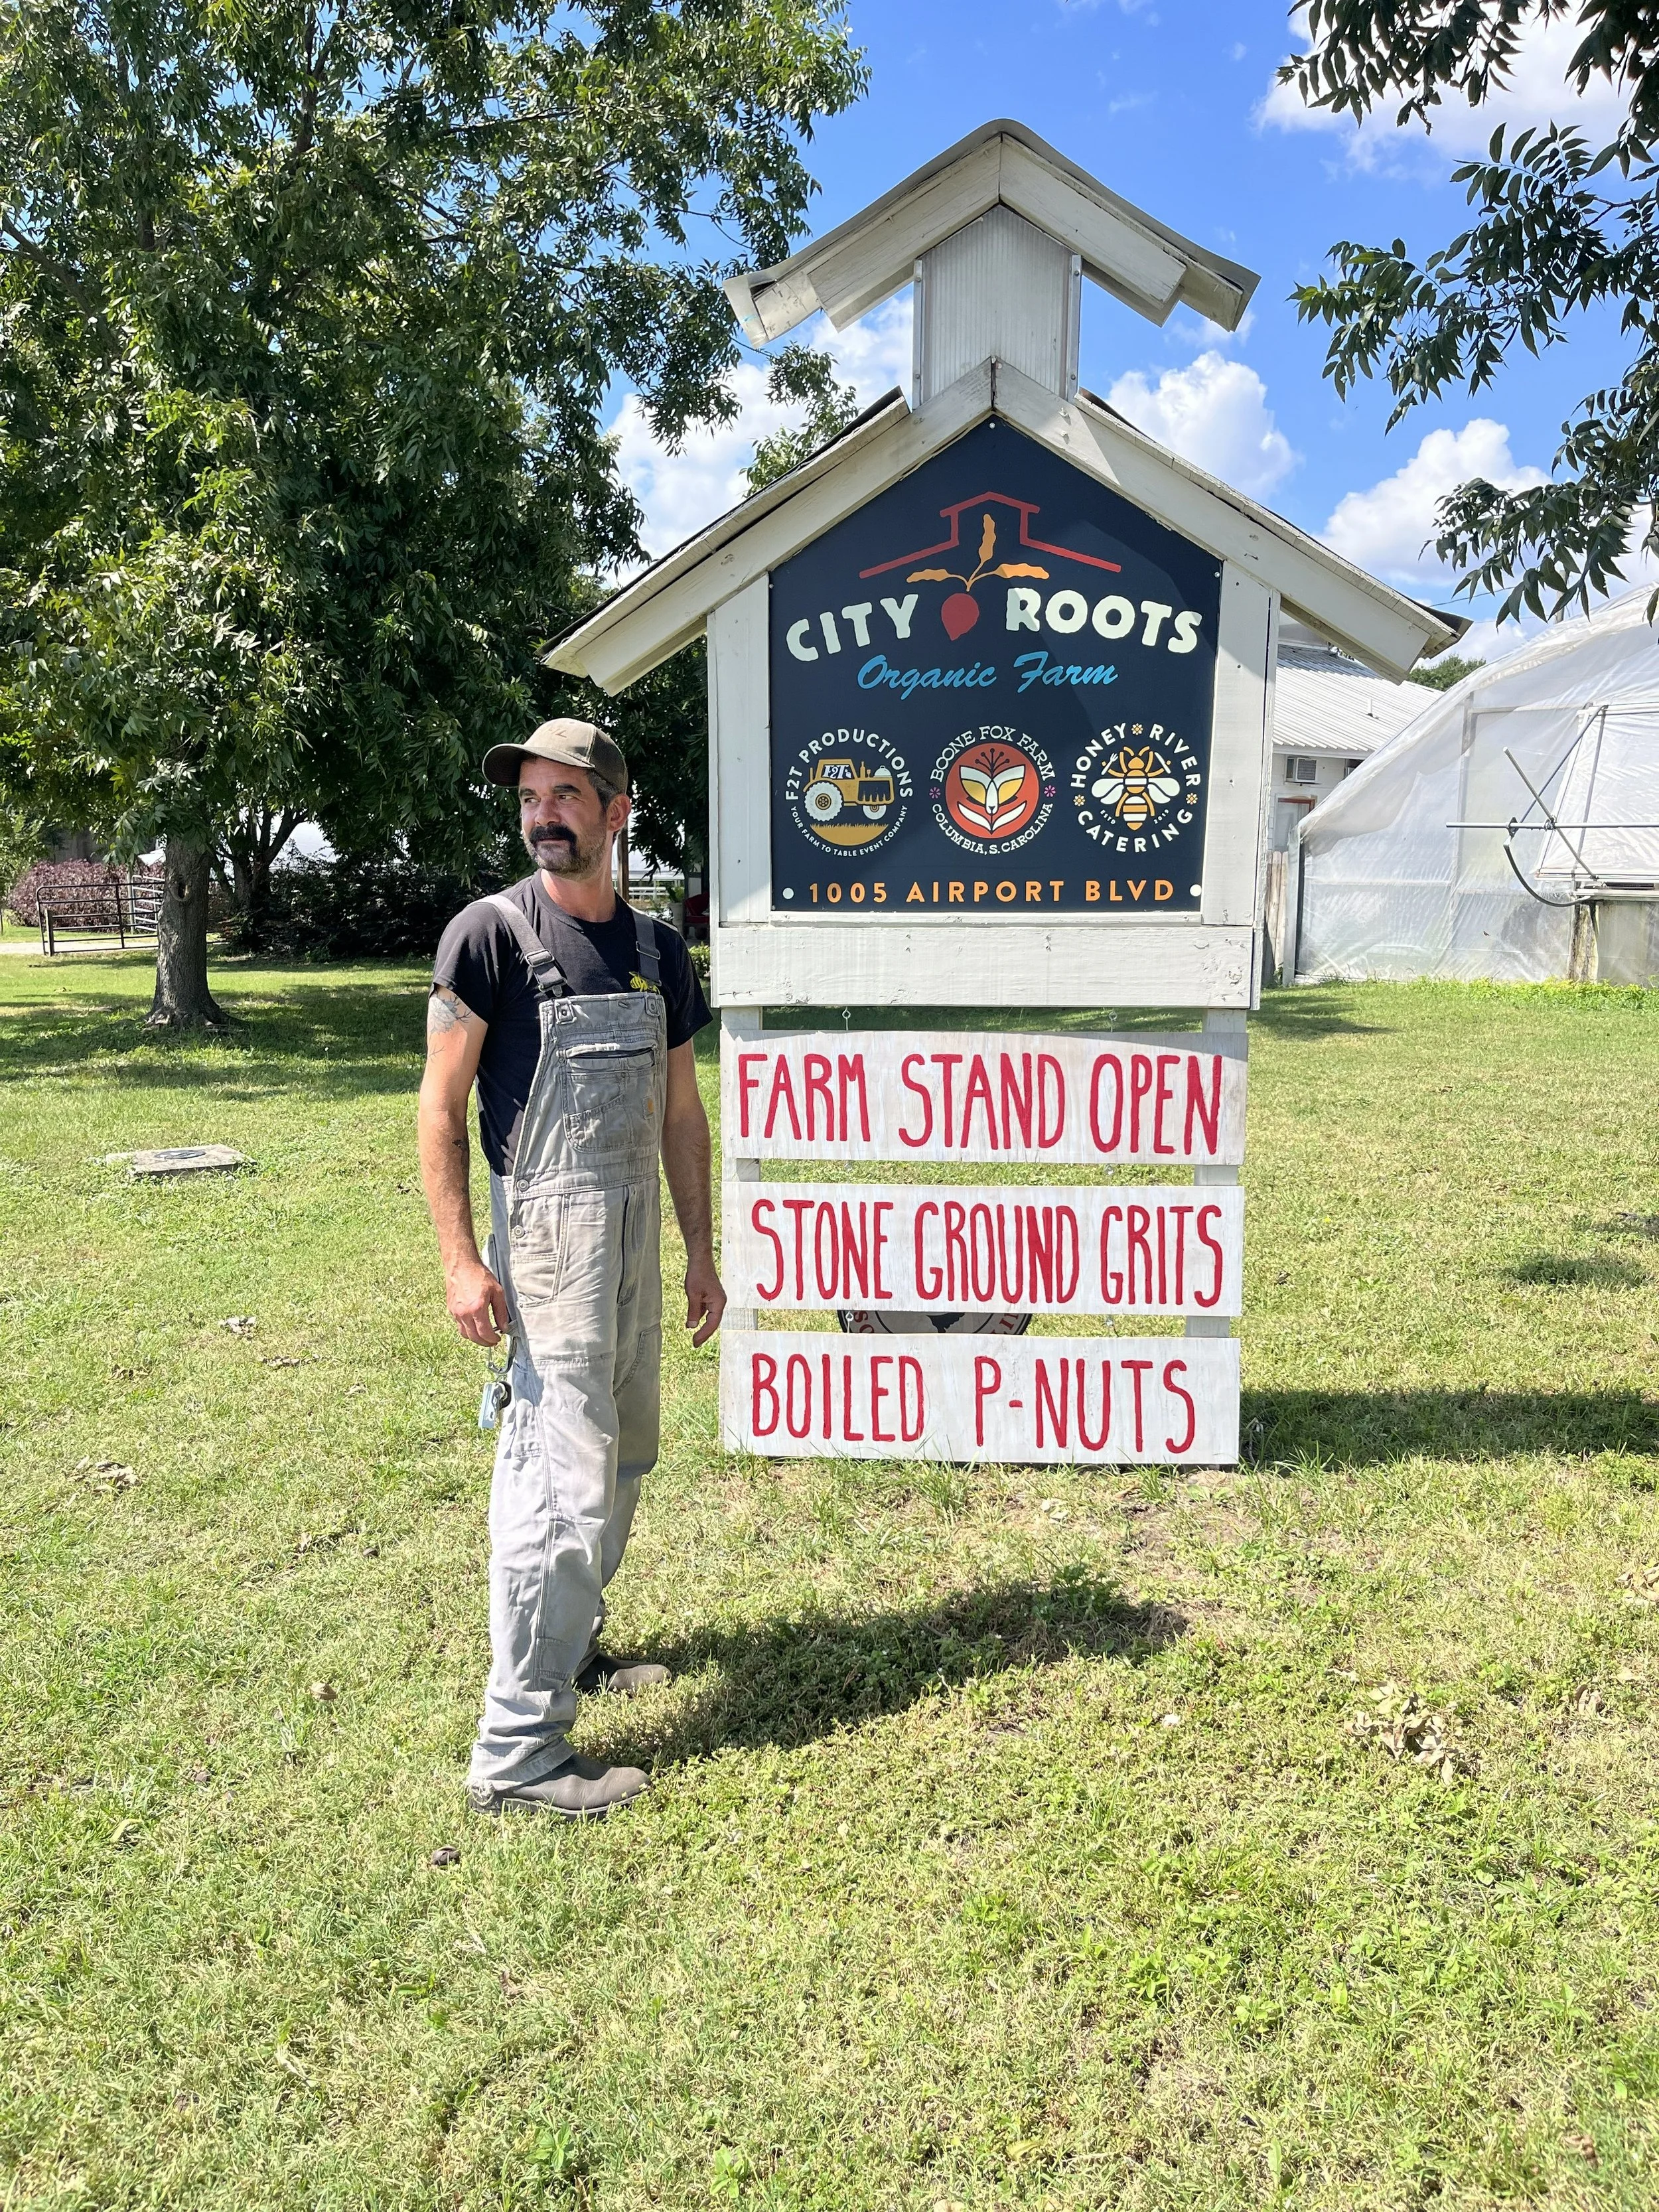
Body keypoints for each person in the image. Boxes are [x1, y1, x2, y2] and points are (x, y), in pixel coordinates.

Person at [418, 718, 725, 1818]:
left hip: (637, 1233)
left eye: (565, 796)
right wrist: (461, 1259)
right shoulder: (488, 937)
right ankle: (518, 1752)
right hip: (547, 1242)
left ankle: (574, 1643)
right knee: (557, 1478)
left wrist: (700, 1250)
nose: (542, 814)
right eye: (530, 797)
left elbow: (682, 1114)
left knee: (626, 1450)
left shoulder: (656, 952)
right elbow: (439, 1110)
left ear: (615, 812)